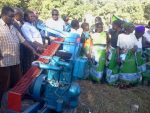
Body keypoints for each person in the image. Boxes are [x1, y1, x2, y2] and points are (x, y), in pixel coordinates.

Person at [0, 6, 38, 102]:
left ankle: (19, 98)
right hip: (4, 62)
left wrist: (32, 49)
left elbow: (23, 40)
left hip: (15, 61)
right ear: (3, 15)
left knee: (17, 83)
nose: (13, 18)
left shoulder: (13, 27)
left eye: (13, 16)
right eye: (11, 16)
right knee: (4, 85)